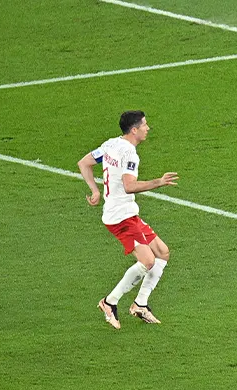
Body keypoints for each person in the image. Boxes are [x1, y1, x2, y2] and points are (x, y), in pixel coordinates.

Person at [76, 109, 179, 329]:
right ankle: (109, 302)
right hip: (121, 217)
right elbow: (129, 186)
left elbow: (83, 163)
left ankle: (140, 304)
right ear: (134, 130)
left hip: (125, 213)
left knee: (162, 252)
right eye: (144, 125)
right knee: (148, 261)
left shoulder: (111, 144)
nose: (148, 128)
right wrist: (157, 182)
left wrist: (95, 191)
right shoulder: (130, 154)